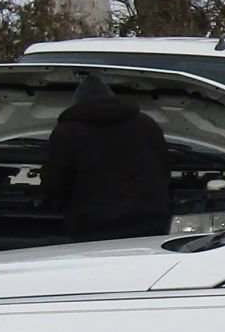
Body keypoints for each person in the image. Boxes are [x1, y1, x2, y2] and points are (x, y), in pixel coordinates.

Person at [42, 71, 172, 241]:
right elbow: (164, 166)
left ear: (77, 103)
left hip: (93, 224)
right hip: (150, 220)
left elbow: (57, 179)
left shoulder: (66, 132)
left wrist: (50, 200)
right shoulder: (146, 124)